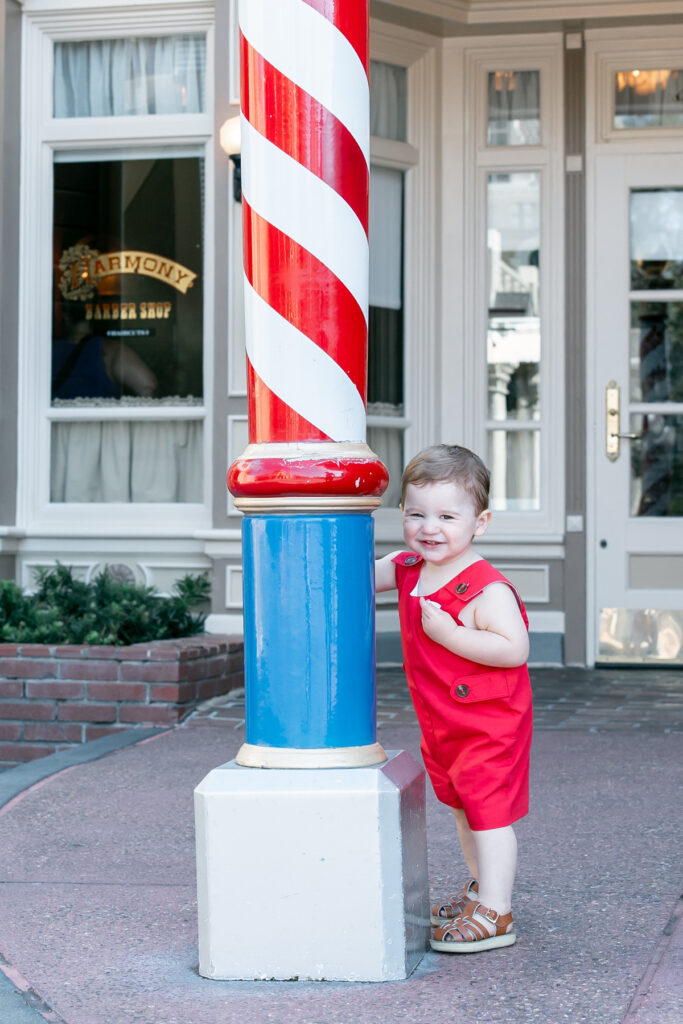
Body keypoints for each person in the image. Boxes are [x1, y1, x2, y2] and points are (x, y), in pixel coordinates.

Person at [375, 444, 533, 953]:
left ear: (479, 523)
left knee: (488, 812)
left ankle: (497, 912)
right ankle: (481, 891)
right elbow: (353, 573)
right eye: (416, 513)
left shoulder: (487, 589)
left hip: (489, 723)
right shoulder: (407, 568)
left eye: (447, 516)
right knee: (464, 810)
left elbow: (513, 649)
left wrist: (451, 636)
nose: (430, 528)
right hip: (442, 722)